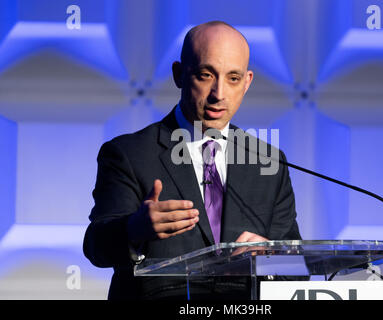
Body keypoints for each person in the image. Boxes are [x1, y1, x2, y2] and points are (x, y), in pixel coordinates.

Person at [83, 20, 301, 300]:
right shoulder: (128, 153)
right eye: (206, 75)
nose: (218, 94)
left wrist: (272, 256)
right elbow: (96, 245)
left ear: (246, 83)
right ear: (179, 74)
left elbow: (296, 268)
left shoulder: (268, 162)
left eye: (232, 79)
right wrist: (134, 230)